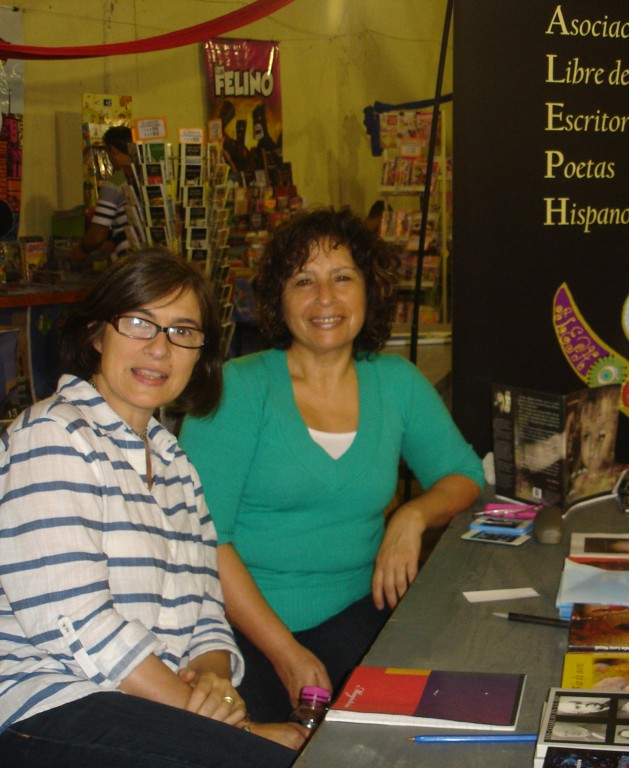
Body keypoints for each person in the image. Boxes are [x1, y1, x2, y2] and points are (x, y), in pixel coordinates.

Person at [0, 250, 304, 767]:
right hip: (45, 705)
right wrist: (234, 727)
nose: (160, 349)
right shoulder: (53, 435)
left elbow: (206, 606)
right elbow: (77, 624)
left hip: (143, 705)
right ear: (97, 334)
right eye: (140, 323)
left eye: (182, 331)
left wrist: (213, 676)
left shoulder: (173, 463)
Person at [179, 207, 484, 721]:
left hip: (360, 612)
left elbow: (464, 475)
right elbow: (205, 540)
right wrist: (286, 653)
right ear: (279, 297)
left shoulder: (396, 382)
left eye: (343, 277)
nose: (325, 298)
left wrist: (411, 517)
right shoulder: (236, 388)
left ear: (370, 290)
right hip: (242, 629)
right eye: (304, 280)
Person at [81, 125, 135, 261]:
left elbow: (97, 236)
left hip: (130, 262)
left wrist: (81, 250)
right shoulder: (149, 176)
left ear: (113, 151)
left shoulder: (114, 182)